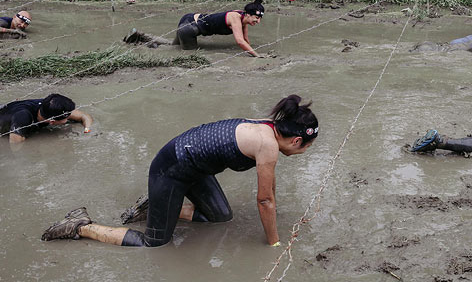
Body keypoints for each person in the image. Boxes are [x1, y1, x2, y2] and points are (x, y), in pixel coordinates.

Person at [41, 94, 319, 248]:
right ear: (296, 140)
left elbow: (269, 191)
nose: (303, 152)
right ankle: (81, 225)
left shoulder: (269, 128)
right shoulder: (267, 146)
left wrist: (274, 211)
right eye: (306, 147)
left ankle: (149, 210)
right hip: (171, 169)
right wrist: (274, 244)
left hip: (195, 166)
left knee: (221, 216)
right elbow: (264, 200)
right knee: (154, 243)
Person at [173, 0, 265, 55]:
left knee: (172, 46)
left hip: (188, 19)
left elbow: (245, 40)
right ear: (248, 14)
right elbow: (240, 41)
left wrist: (250, 48)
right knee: (189, 55)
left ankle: (157, 40)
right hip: (189, 28)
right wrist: (257, 55)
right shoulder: (235, 18)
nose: (258, 21)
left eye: (260, 18)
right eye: (256, 18)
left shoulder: (243, 17)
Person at [0, 93, 93, 144]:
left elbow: (84, 116)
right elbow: (15, 145)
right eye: (67, 117)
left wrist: (87, 130)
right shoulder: (23, 118)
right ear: (52, 121)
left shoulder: (50, 106)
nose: (71, 116)